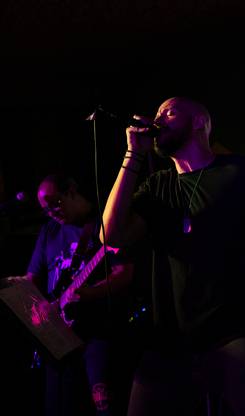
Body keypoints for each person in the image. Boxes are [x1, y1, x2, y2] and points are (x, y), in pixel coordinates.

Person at [100, 96, 245, 416]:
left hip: (240, 332)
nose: (158, 119)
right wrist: (133, 154)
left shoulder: (244, 172)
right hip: (172, 341)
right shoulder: (157, 187)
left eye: (169, 112)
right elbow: (110, 235)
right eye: (157, 113)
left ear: (199, 122)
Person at [11, 173, 135, 416]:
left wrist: (90, 293)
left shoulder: (103, 222)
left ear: (71, 191)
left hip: (98, 333)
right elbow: (32, 279)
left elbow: (125, 272)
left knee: (104, 406)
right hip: (61, 337)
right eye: (46, 210)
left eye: (55, 204)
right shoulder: (49, 231)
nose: (51, 213)